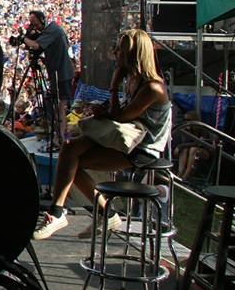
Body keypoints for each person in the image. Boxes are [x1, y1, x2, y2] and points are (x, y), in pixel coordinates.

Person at [33, 29, 171, 240]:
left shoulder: (153, 88)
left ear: (133, 54)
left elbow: (121, 117)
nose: (115, 52)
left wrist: (114, 86)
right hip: (124, 139)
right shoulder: (134, 80)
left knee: (72, 162)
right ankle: (69, 212)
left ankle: (92, 213)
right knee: (69, 151)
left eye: (120, 49)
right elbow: (118, 115)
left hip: (141, 148)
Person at [24, 10, 75, 146]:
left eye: (35, 23)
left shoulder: (52, 30)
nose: (34, 27)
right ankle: (58, 135)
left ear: (42, 19)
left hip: (62, 74)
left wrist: (24, 39)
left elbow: (35, 45)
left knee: (62, 106)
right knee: (52, 102)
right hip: (57, 74)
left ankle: (63, 139)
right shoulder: (53, 30)